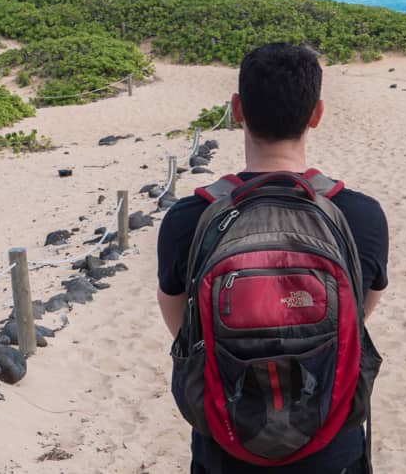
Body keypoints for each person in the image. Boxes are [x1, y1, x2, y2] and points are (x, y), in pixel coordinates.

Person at [156, 42, 389, 474]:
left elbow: (183, 328)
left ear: (237, 109)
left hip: (225, 443)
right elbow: (357, 314)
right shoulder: (361, 215)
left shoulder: (189, 218)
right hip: (332, 444)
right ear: (316, 114)